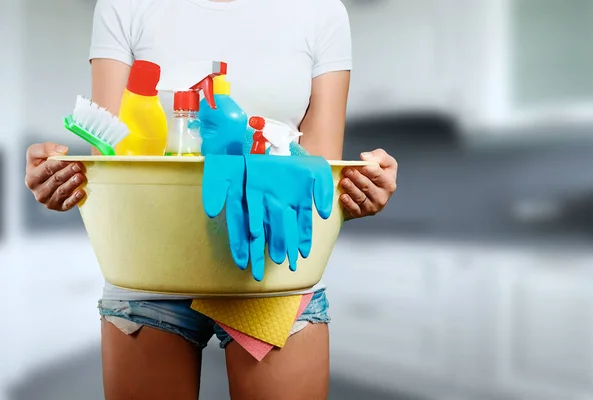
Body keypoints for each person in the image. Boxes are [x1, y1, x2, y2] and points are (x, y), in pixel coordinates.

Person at [24, 0, 398, 398]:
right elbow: (111, 157)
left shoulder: (320, 12)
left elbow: (318, 169)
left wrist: (360, 189)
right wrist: (62, 179)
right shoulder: (125, 6)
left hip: (273, 268)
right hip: (149, 266)